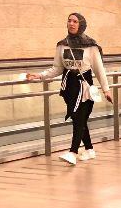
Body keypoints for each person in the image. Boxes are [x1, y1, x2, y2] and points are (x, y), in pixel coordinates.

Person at [27, 13, 112, 165]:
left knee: (79, 119)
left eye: (75, 21)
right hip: (69, 87)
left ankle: (73, 152)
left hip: (84, 87)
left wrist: (106, 89)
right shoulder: (62, 45)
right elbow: (57, 68)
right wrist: (39, 76)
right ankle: (89, 149)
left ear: (81, 25)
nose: (71, 24)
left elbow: (99, 69)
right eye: (69, 21)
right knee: (78, 119)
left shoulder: (91, 46)